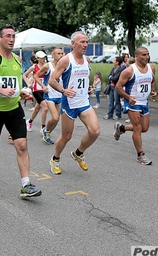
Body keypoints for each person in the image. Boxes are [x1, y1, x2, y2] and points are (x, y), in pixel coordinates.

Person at [0, 25, 41, 198]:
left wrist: (22, 92)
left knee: (22, 145)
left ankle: (26, 185)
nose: (11, 39)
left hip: (13, 108)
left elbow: (14, 85)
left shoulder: (17, 60)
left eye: (13, 36)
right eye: (8, 36)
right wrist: (0, 90)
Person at [48, 31, 100, 175]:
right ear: (73, 43)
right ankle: (55, 159)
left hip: (84, 102)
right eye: (82, 42)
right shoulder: (66, 60)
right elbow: (52, 80)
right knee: (66, 136)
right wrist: (63, 90)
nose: (85, 45)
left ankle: (78, 153)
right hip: (69, 104)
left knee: (95, 131)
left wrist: (87, 87)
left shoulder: (87, 60)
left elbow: (82, 78)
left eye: (87, 42)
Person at [113, 46, 157, 165]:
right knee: (137, 127)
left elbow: (152, 80)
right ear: (136, 57)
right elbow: (118, 87)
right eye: (144, 55)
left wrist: (153, 91)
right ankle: (140, 155)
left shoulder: (151, 68)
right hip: (133, 103)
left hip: (144, 102)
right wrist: (128, 97)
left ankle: (121, 128)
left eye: (147, 54)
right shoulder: (129, 71)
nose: (147, 57)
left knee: (144, 128)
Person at [33, 47, 64, 144]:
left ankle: (47, 132)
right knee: (55, 117)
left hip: (60, 95)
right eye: (58, 53)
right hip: (50, 95)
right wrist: (43, 86)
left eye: (61, 53)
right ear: (53, 55)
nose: (60, 55)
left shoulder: (64, 66)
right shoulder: (48, 66)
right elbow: (36, 76)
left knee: (57, 119)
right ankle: (45, 131)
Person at [23, 51, 48, 132]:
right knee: (45, 108)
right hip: (36, 90)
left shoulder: (47, 66)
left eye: (44, 57)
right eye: (41, 58)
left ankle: (29, 121)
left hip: (44, 89)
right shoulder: (34, 67)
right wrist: (28, 84)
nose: (43, 59)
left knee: (37, 109)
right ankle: (43, 127)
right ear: (37, 58)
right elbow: (24, 75)